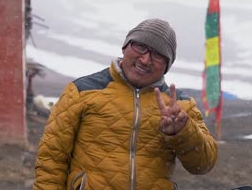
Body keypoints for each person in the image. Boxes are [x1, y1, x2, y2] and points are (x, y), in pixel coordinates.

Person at [34, 18, 218, 189]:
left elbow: (203, 164)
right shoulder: (81, 91)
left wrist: (182, 131)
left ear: (167, 65)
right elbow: (51, 159)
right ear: (125, 47)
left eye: (158, 55)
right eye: (140, 47)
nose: (145, 60)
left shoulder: (180, 106)